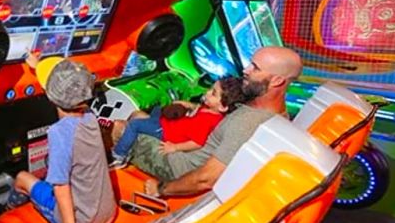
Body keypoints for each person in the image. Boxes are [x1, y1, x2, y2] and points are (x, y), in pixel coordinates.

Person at [0, 53, 117, 223]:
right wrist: (37, 67)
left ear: (51, 97)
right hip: (108, 212)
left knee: (22, 178)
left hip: (84, 222)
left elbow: (61, 186)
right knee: (48, 165)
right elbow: (65, 90)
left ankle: (3, 217)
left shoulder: (60, 133)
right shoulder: (90, 115)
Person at [127, 46, 302, 198]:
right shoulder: (272, 110)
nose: (246, 70)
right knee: (142, 116)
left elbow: (206, 179)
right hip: (190, 151)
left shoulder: (248, 123)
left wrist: (161, 188)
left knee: (122, 127)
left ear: (277, 81)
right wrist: (192, 106)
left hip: (180, 167)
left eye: (255, 68)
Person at [109, 76, 247, 167]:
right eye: (211, 88)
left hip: (165, 132)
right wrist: (188, 105)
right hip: (172, 124)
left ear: (223, 106)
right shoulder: (209, 109)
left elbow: (197, 143)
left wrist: (175, 147)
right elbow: (197, 108)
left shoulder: (207, 121)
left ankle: (119, 155)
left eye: (213, 93)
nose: (207, 92)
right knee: (157, 109)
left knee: (134, 124)